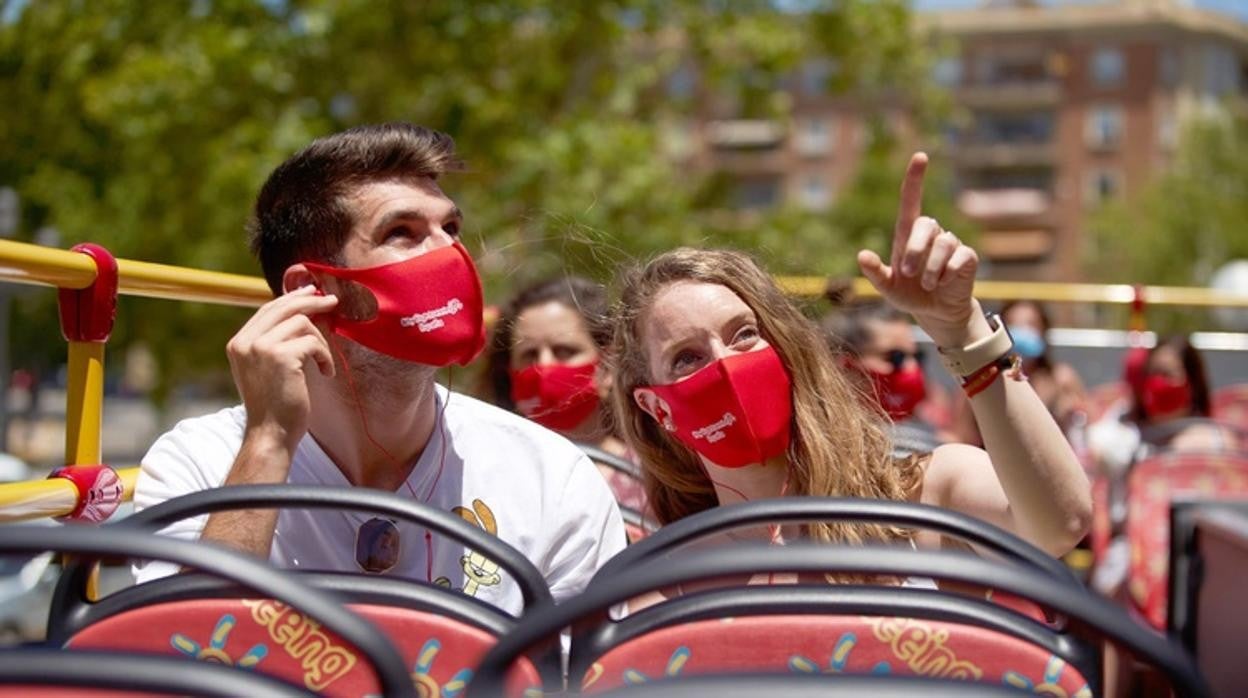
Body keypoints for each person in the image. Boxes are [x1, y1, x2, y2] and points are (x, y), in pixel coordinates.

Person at [132, 123, 626, 613]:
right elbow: (186, 651)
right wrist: (267, 444)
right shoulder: (197, 462)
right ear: (313, 291)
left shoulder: (552, 476)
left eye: (450, 229)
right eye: (403, 233)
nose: (450, 253)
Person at [611, 153, 1091, 598]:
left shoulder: (924, 497)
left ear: (784, 349)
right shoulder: (662, 580)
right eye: (687, 358)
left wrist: (964, 333)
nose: (723, 363)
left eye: (743, 335)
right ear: (657, 407)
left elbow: (1058, 524)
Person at [485, 276, 646, 511]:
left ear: (607, 366)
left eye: (564, 351)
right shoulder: (489, 475)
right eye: (529, 355)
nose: (544, 366)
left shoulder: (654, 478)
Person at [949, 299, 1087, 448]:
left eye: (1030, 325)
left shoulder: (1061, 379)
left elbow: (1089, 433)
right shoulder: (981, 380)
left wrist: (1071, 417)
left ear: (1043, 332)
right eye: (1014, 325)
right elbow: (961, 437)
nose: (1022, 332)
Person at [821, 295, 944, 458]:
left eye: (918, 357)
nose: (911, 367)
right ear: (845, 362)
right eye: (895, 357)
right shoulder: (820, 442)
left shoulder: (934, 427)